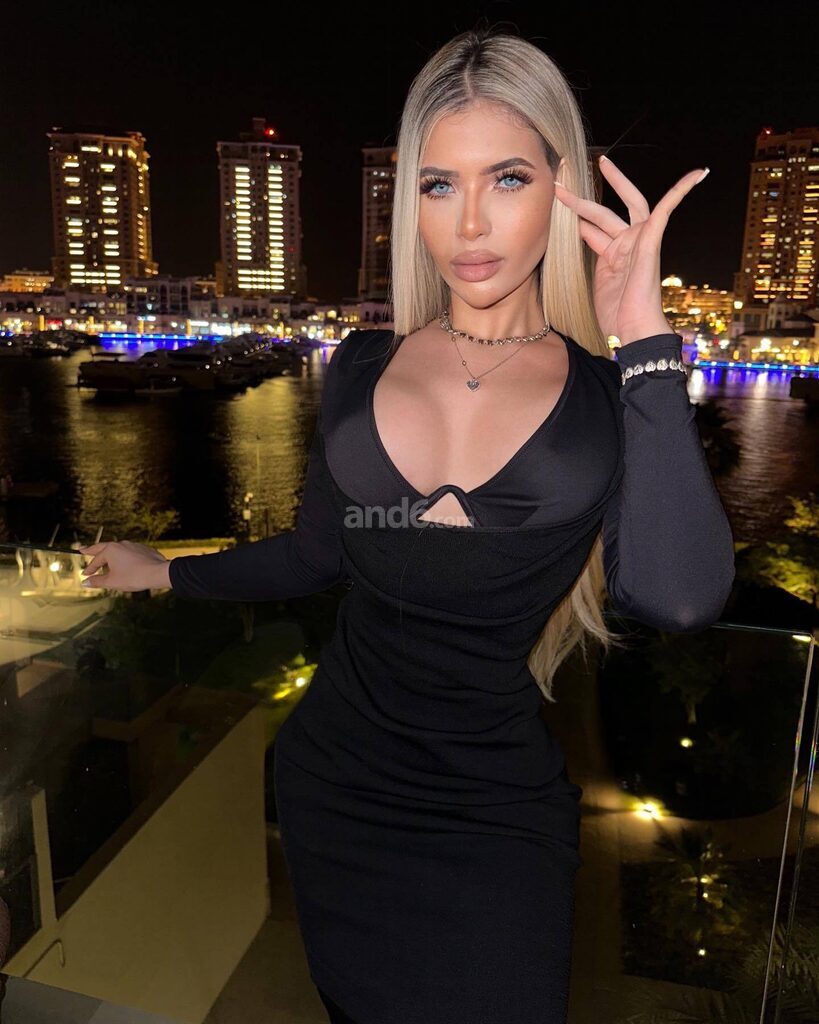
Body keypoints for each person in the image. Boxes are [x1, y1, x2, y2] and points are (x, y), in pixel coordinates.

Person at [77, 26, 735, 1024]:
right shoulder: (359, 366)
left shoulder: (608, 395)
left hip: (494, 812)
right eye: (437, 184)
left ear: (561, 190)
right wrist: (160, 571)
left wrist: (644, 338)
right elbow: (313, 555)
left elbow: (680, 596)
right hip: (335, 778)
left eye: (507, 178)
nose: (469, 222)